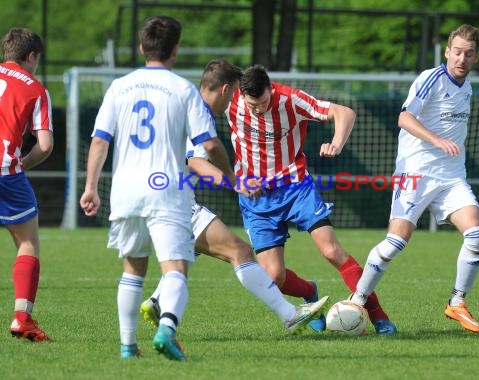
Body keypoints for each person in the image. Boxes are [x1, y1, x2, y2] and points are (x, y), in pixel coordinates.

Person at [79, 16, 237, 361]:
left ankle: (127, 347)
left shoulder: (119, 86)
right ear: (175, 50)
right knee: (175, 269)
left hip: (125, 190)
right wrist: (230, 176)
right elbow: (209, 146)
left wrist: (90, 186)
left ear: (141, 47)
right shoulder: (183, 90)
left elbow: (99, 142)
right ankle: (167, 328)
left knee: (133, 269)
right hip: (166, 191)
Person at [140, 59, 328, 334]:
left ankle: (156, 303)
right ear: (226, 89)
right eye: (232, 96)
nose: (233, 103)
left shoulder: (176, 101)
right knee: (239, 251)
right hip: (171, 201)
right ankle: (289, 315)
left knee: (189, 249)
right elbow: (196, 161)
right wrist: (235, 181)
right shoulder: (198, 112)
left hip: (141, 193)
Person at [224, 64, 396, 335]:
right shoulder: (230, 101)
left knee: (331, 251)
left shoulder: (291, 99)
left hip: (295, 188)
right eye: (252, 105)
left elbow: (344, 112)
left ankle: (378, 315)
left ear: (271, 89)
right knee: (273, 277)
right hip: (256, 199)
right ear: (241, 95)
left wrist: (337, 142)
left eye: (264, 102)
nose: (258, 109)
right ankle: (309, 292)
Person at [351, 24, 479, 334]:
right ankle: (358, 299)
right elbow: (404, 117)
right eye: (457, 52)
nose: (461, 59)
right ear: (447, 52)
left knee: (476, 233)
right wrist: (437, 140)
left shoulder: (467, 87)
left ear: (475, 57)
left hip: (452, 177)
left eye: (468, 54)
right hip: (415, 172)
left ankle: (457, 302)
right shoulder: (431, 79)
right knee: (396, 241)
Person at [0, 27, 53, 343]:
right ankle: (22, 318)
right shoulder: (35, 89)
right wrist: (22, 163)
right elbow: (44, 146)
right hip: (7, 171)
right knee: (27, 242)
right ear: (31, 56)